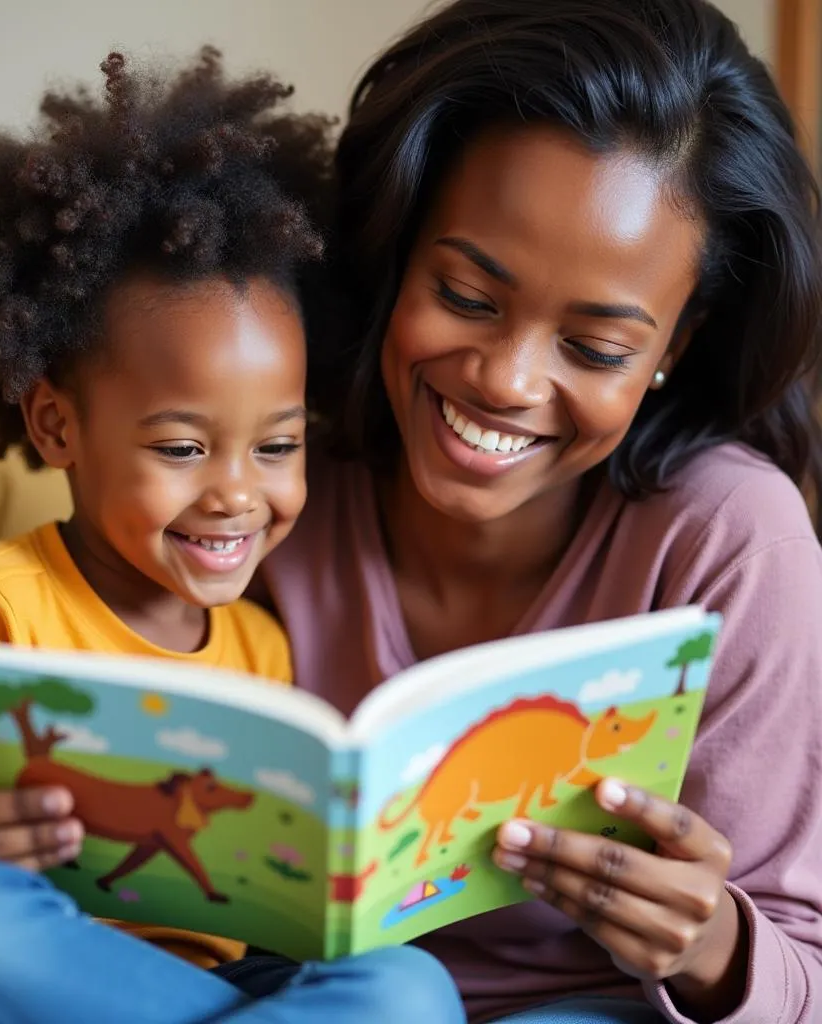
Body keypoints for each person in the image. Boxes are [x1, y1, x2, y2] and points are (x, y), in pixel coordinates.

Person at [0, 49, 466, 1024]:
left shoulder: (262, 645)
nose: (236, 493)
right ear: (55, 425)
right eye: (184, 445)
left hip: (213, 990)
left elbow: (258, 919)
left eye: (278, 443)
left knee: (413, 987)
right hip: (26, 970)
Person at [258, 0, 822, 1022]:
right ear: (396, 246)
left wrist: (711, 941)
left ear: (675, 348)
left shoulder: (731, 536)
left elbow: (804, 971)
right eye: (468, 294)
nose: (506, 380)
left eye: (597, 348)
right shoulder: (272, 467)